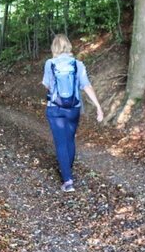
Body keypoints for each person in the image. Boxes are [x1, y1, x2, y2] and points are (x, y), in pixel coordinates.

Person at [42, 34, 104, 193]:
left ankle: (67, 180)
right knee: (69, 140)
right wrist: (98, 106)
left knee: (61, 143)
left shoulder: (50, 63)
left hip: (55, 108)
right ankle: (67, 170)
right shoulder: (78, 64)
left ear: (54, 47)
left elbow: (47, 85)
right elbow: (86, 86)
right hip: (73, 108)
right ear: (68, 46)